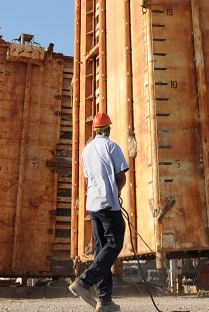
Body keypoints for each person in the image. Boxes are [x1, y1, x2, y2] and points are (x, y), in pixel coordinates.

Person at [69, 112, 129, 312]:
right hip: (108, 204)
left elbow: (87, 180)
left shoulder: (86, 151)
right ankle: (84, 282)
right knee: (115, 243)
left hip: (93, 205)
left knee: (102, 250)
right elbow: (121, 177)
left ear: (94, 130)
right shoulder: (112, 147)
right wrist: (117, 190)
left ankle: (104, 301)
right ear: (108, 129)